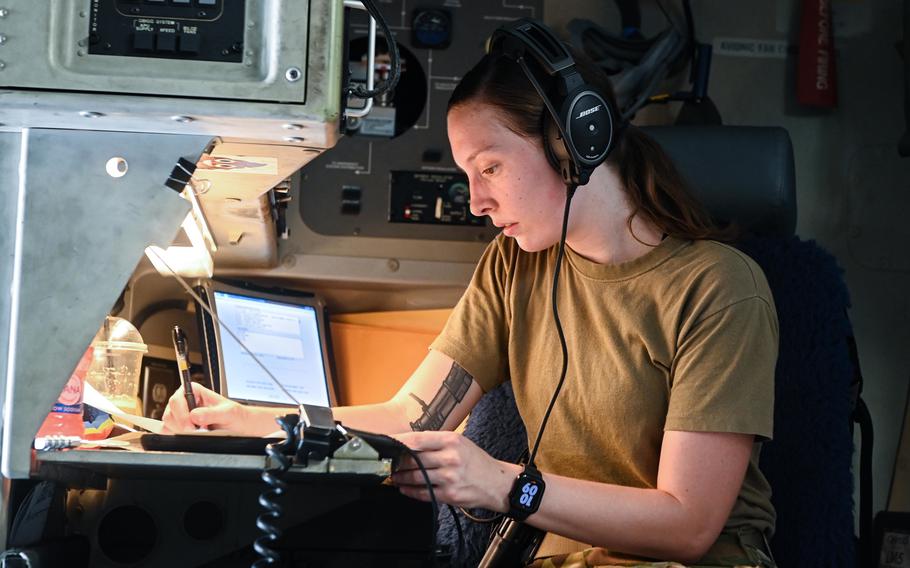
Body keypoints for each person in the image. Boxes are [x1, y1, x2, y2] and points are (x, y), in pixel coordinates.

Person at [162, 24, 778, 568]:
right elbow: (412, 417)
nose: (477, 202)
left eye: (490, 168)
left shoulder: (719, 288)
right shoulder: (515, 266)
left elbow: (689, 525)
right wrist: (250, 422)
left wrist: (507, 485)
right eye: (468, 176)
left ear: (571, 142)